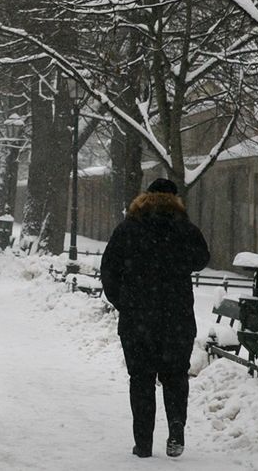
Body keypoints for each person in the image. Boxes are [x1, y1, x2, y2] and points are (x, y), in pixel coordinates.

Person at [100, 178, 210, 459]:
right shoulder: (184, 228)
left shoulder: (128, 228)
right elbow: (202, 259)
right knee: (175, 375)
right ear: (175, 199)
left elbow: (109, 269)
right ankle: (176, 424)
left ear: (145, 197)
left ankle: (143, 442)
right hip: (177, 318)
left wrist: (123, 302)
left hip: (138, 319)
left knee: (141, 379)